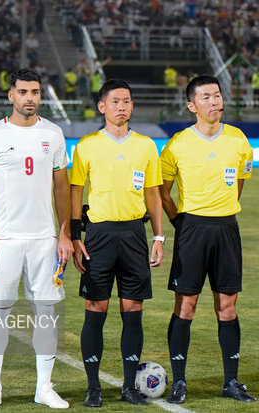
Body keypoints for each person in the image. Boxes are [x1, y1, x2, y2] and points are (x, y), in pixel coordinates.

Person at [0, 68, 73, 410]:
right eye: (23, 92)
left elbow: (62, 187)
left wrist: (65, 233)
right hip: (3, 239)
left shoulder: (54, 134)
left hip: (45, 238)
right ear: (10, 95)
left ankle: (44, 387)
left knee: (46, 312)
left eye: (35, 92)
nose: (30, 97)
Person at [160, 75, 256, 404]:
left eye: (217, 95)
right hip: (192, 230)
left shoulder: (239, 140)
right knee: (186, 307)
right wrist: (180, 223)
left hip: (226, 228)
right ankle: (180, 382)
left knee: (227, 308)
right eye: (206, 97)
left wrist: (223, 210)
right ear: (192, 106)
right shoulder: (177, 144)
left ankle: (231, 382)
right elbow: (163, 192)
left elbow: (240, 184)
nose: (214, 102)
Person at [70, 78, 165, 407]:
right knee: (96, 308)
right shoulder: (86, 146)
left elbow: (153, 194)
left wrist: (159, 236)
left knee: (132, 309)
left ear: (132, 106)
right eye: (115, 102)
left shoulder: (146, 146)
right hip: (98, 235)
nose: (121, 107)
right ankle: (93, 387)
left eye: (126, 101)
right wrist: (74, 235)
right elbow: (74, 193)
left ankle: (129, 386)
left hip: (134, 236)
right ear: (102, 107)